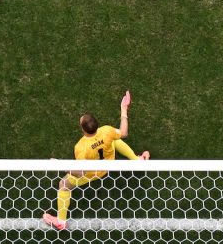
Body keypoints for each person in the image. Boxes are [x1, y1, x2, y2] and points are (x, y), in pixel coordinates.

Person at [43, 91, 149, 232]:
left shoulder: (81, 147)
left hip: (92, 173)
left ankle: (61, 221)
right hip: (108, 163)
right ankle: (137, 161)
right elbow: (124, 133)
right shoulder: (106, 131)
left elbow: (80, 172)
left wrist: (59, 164)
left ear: (83, 129)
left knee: (64, 184)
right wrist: (124, 109)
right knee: (114, 140)